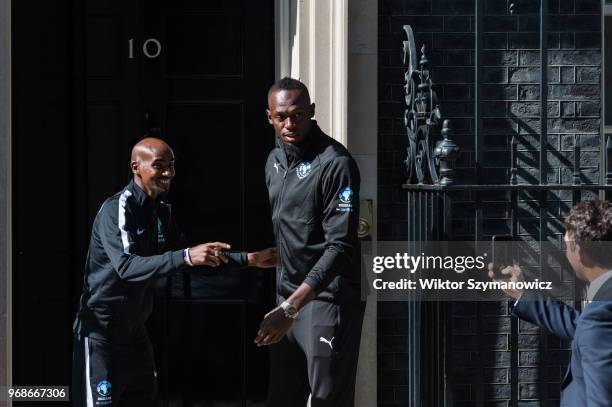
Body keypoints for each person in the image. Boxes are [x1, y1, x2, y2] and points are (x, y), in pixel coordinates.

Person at [72, 137, 276, 407]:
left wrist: (249, 259)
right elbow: (126, 267)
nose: (168, 173)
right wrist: (185, 256)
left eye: (171, 165)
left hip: (135, 336)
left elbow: (193, 260)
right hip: (101, 336)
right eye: (159, 165)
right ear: (136, 167)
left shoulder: (160, 212)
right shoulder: (118, 209)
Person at [255, 77, 365, 407]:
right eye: (282, 116)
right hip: (286, 298)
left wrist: (291, 306)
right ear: (269, 117)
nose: (290, 124)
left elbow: (340, 247)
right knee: (282, 398)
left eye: (298, 115)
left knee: (326, 400)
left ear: (312, 111)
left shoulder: (335, 163)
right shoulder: (274, 161)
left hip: (326, 300)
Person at [489, 200, 612, 406]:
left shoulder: (599, 315)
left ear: (579, 252)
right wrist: (524, 294)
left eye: (566, 245)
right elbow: (583, 329)